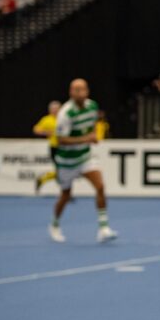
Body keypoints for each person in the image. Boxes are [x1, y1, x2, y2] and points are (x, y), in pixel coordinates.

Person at [49, 79, 117, 243]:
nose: (80, 92)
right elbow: (60, 140)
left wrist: (93, 136)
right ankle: (55, 224)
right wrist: (86, 138)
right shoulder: (66, 113)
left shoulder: (92, 106)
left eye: (83, 89)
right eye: (76, 90)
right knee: (65, 195)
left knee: (100, 186)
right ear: (71, 92)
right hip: (66, 161)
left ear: (87, 91)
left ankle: (103, 228)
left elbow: (92, 125)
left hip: (85, 157)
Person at [33, 100, 62, 193]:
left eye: (57, 109)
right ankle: (65, 193)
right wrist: (46, 132)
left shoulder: (63, 118)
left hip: (65, 147)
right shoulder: (46, 119)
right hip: (55, 148)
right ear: (50, 110)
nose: (55, 110)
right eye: (53, 109)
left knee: (63, 171)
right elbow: (36, 129)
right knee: (62, 171)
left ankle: (42, 179)